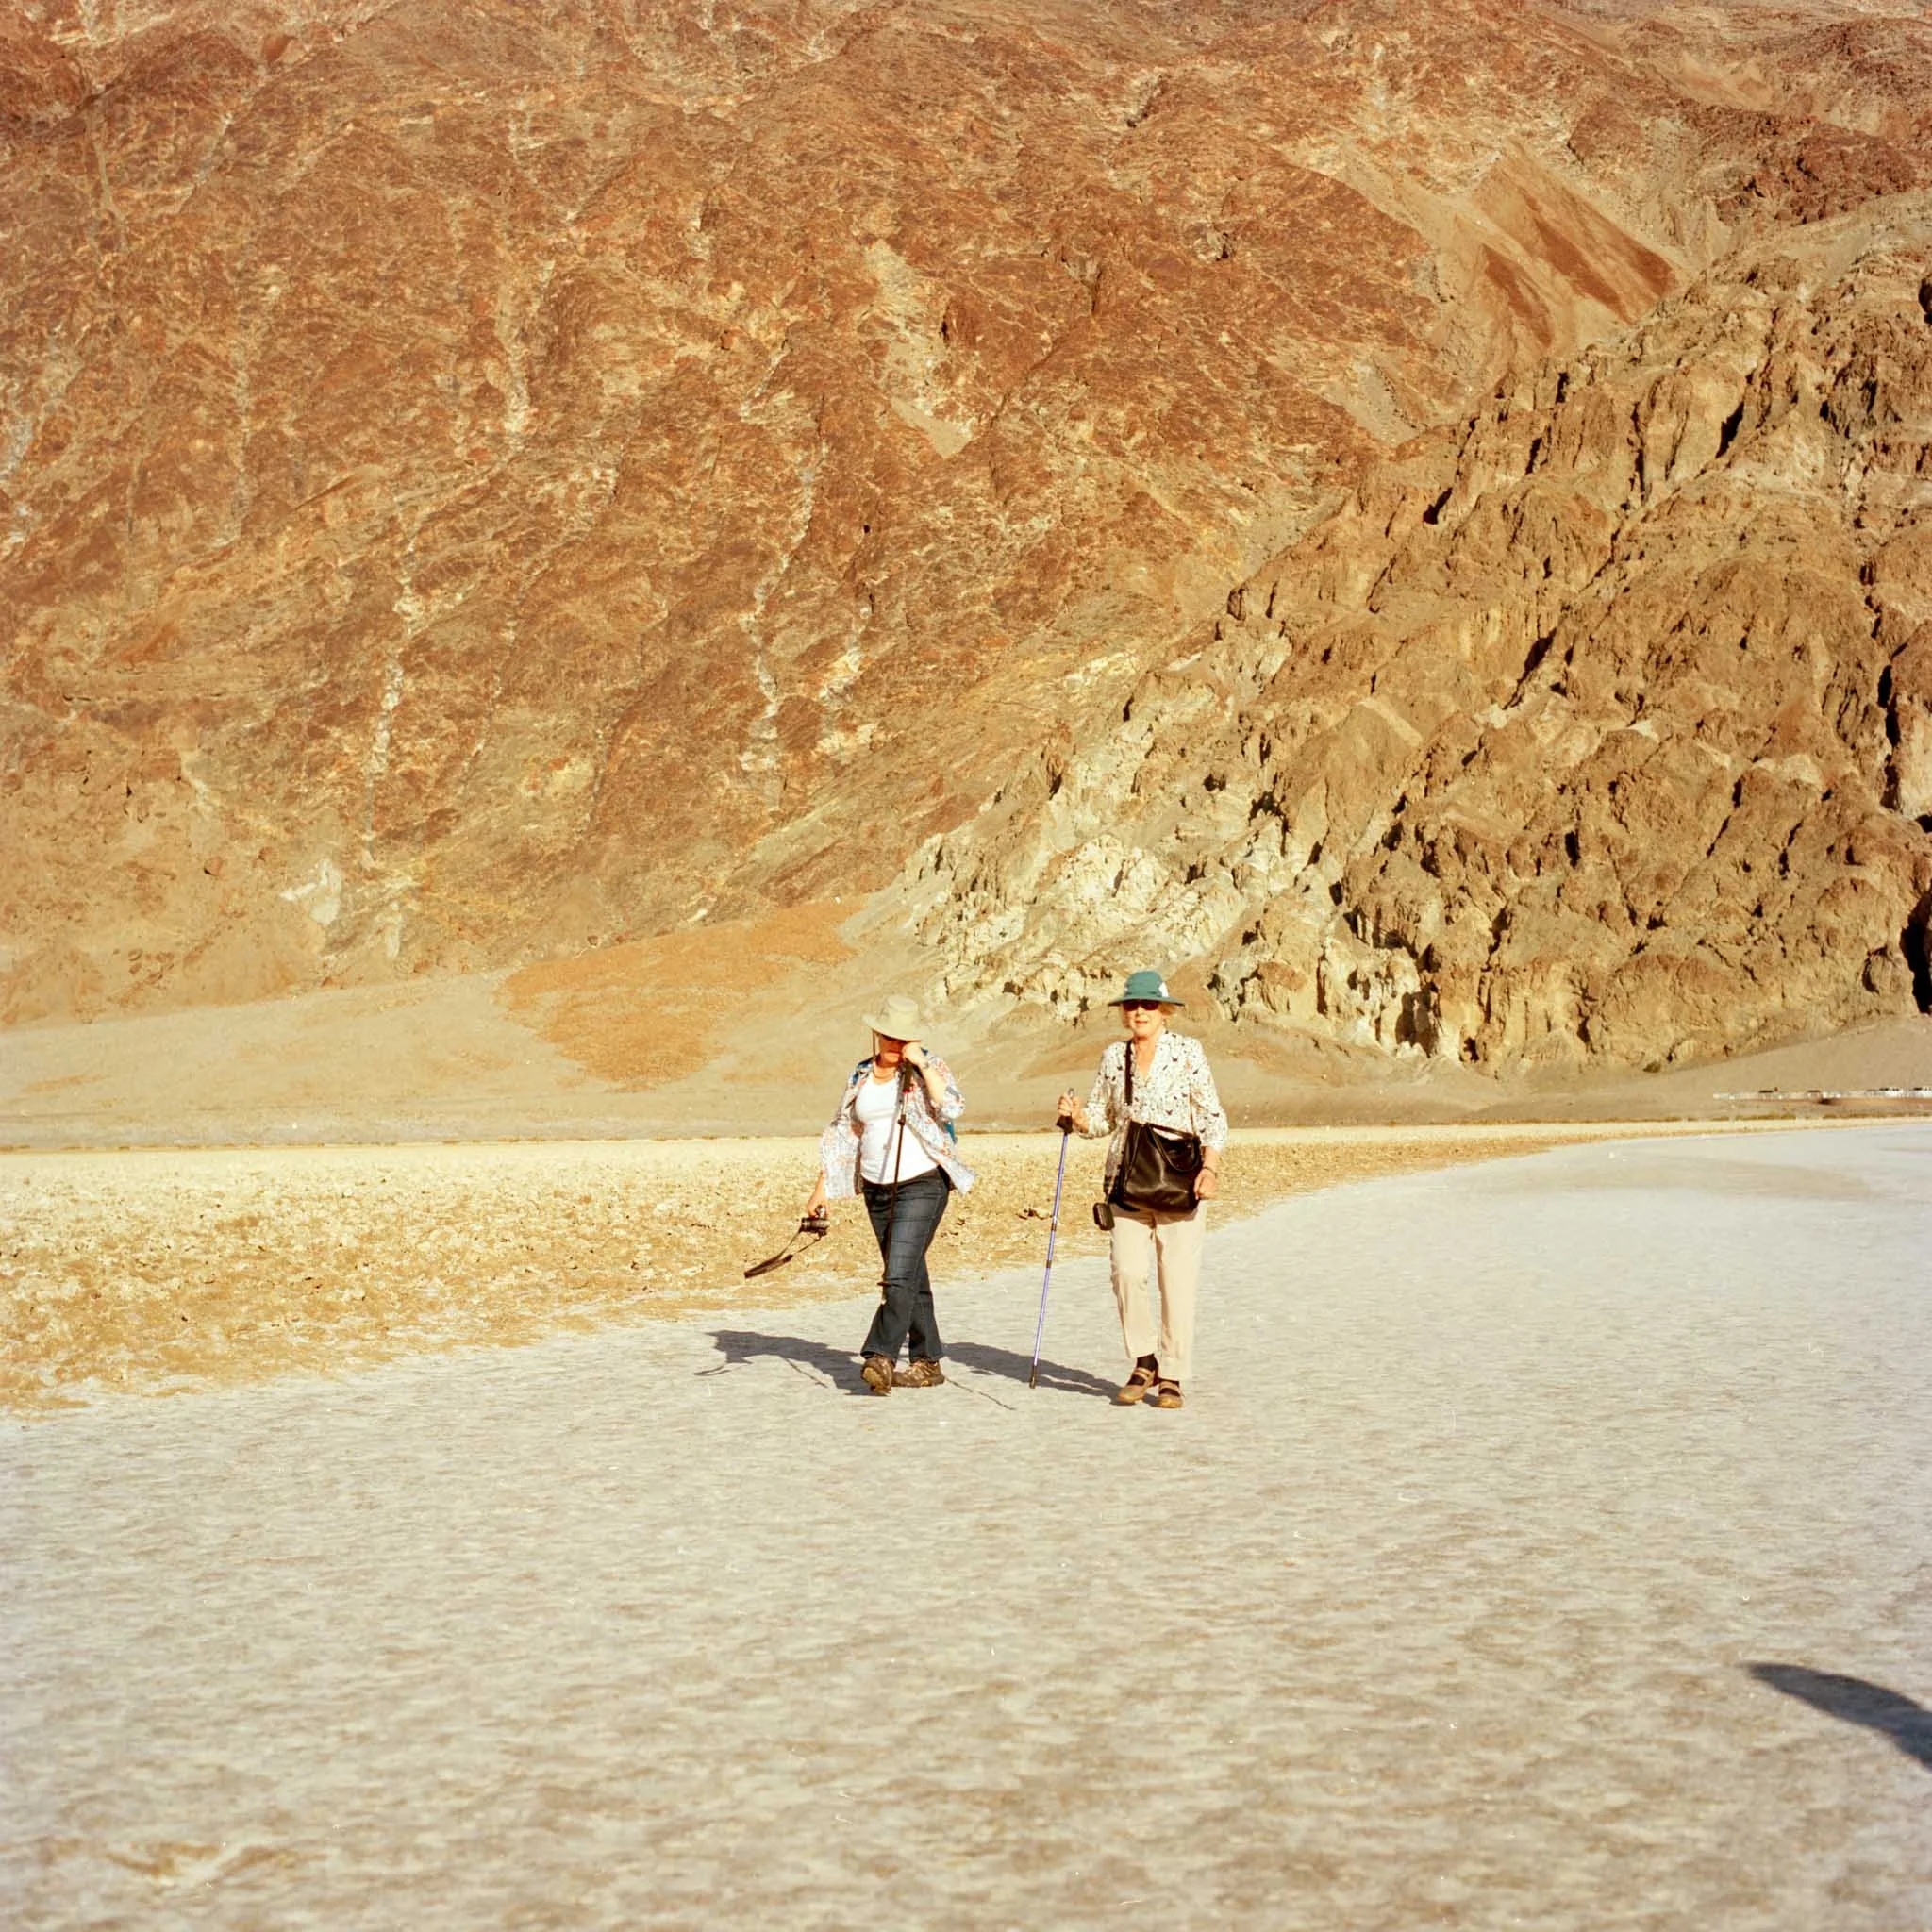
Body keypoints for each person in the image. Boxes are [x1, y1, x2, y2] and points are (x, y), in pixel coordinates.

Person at [1057, 970, 1227, 1409]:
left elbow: (1211, 1116)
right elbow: (1103, 1119)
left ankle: (1172, 1373)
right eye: (1132, 1005)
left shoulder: (1189, 1053)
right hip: (1128, 1180)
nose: (1139, 1012)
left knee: (1178, 1280)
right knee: (1127, 1272)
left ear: (1165, 1011)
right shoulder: (1114, 1058)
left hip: (1179, 1178)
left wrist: (1210, 1169)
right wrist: (1077, 1117)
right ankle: (1144, 1358)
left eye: (1149, 1005)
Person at [806, 993, 974, 1395]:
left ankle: (880, 1355)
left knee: (897, 1273)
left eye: (906, 1038)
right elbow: (844, 1132)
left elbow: (951, 1107)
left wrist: (922, 1064)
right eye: (891, 1037)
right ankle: (926, 1361)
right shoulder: (861, 1074)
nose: (897, 1045)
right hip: (876, 1187)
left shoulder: (926, 1068)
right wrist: (821, 1187)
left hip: (923, 1183)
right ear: (877, 1033)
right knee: (909, 1271)